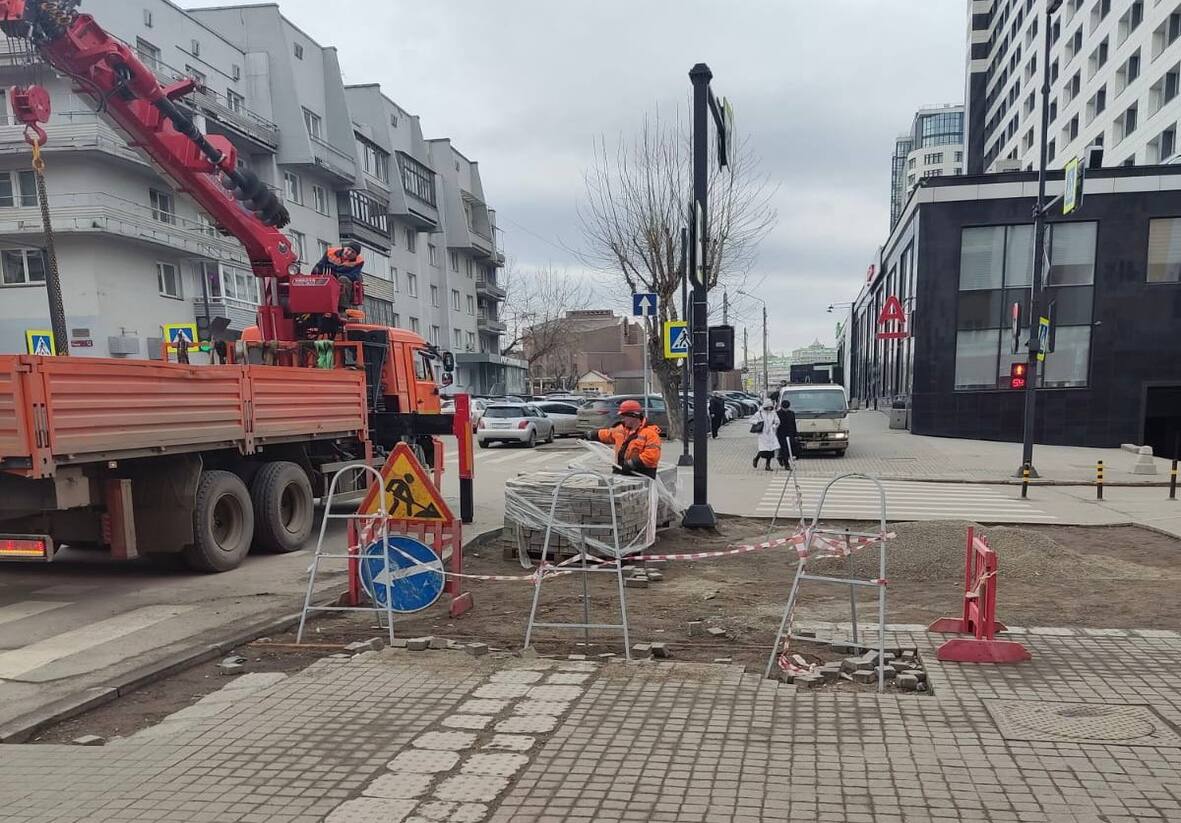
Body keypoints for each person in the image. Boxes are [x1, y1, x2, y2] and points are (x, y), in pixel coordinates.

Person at [586, 399, 662, 478]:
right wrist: (590, 435)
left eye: (624, 416)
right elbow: (607, 434)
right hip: (622, 472)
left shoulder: (650, 434)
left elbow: (651, 456)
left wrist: (631, 464)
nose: (623, 419)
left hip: (642, 476)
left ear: (633, 416)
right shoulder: (622, 429)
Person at [311, 241, 365, 311]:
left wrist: (337, 275)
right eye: (348, 249)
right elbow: (319, 266)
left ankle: (342, 308)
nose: (349, 253)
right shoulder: (330, 253)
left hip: (345, 285)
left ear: (356, 255)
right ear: (344, 248)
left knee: (343, 279)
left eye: (353, 252)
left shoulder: (358, 261)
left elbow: (354, 275)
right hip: (328, 279)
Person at [751, 400, 780, 471]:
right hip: (762, 434)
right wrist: (758, 421)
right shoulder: (759, 413)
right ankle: (756, 458)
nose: (769, 409)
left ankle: (768, 465)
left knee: (771, 450)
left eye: (770, 407)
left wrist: (774, 426)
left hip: (771, 433)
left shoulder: (773, 413)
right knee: (763, 449)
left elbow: (777, 421)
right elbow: (751, 420)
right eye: (768, 407)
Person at [776, 398, 799, 468]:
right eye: (784, 408)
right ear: (782, 407)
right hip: (781, 434)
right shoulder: (777, 413)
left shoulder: (791, 413)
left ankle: (781, 457)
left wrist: (795, 434)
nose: (786, 409)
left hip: (790, 433)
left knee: (791, 448)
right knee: (784, 449)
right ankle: (786, 464)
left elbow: (793, 424)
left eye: (787, 408)